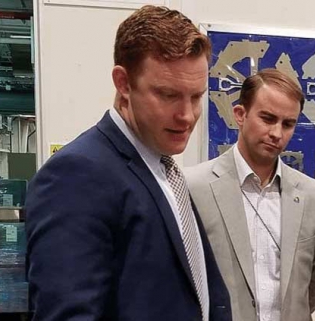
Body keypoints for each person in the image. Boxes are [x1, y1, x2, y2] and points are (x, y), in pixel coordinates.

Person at [25, 6, 230, 320]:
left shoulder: (162, 167)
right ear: (123, 82)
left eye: (196, 96)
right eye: (167, 95)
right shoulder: (77, 175)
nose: (187, 115)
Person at [185, 68, 315, 321]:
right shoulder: (193, 187)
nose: (277, 133)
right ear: (240, 114)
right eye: (267, 118)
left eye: (288, 124)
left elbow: (310, 290)